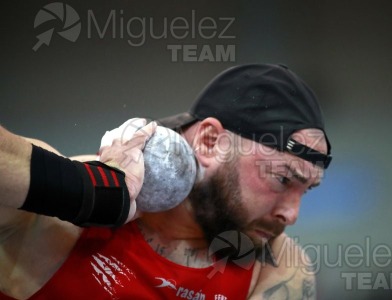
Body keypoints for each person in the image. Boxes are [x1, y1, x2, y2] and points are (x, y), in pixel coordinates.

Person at [0, 63, 332, 300]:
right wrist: (82, 191)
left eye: (306, 190)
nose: (292, 215)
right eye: (282, 178)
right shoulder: (66, 210)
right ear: (210, 142)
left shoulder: (275, 267)